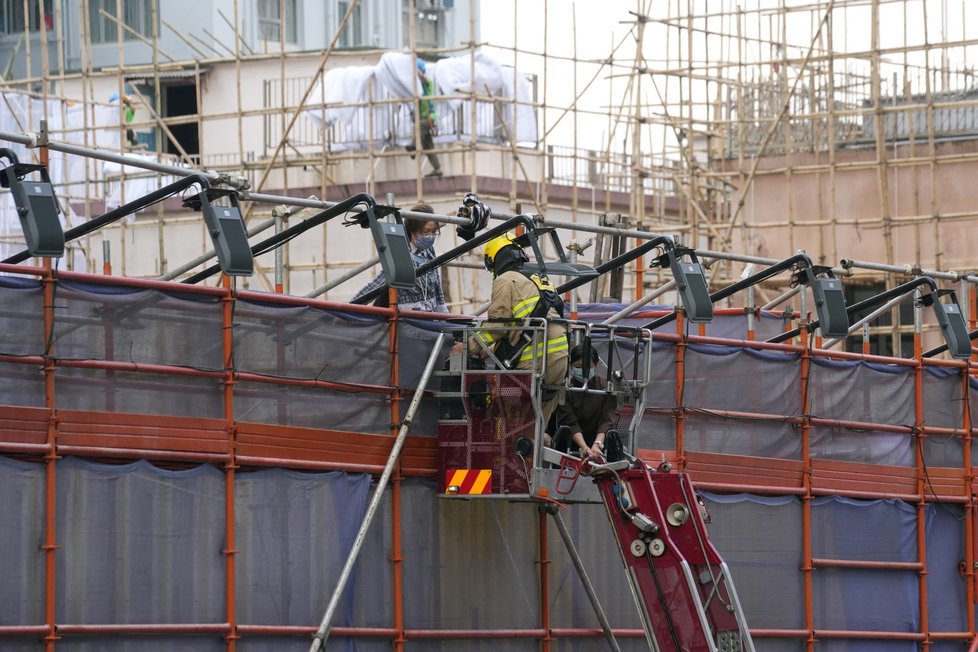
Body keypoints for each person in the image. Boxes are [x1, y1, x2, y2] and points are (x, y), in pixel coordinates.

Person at [466, 233, 568, 423]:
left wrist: (470, 346)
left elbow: (498, 326)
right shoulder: (540, 278)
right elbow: (520, 322)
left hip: (533, 359)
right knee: (537, 426)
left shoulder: (505, 280)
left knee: (513, 426)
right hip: (559, 360)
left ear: (495, 259)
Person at [351, 202, 448, 313]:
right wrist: (348, 307)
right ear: (413, 229)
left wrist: (445, 315)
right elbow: (376, 285)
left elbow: (437, 289)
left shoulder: (428, 252)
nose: (430, 236)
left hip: (430, 318)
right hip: (409, 319)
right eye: (426, 232)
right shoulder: (401, 252)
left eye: (434, 232)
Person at [552, 344, 620, 461]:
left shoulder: (606, 388)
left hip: (600, 442)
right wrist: (584, 447)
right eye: (578, 366)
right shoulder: (565, 389)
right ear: (570, 365)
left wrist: (597, 445)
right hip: (570, 442)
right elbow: (570, 421)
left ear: (595, 365)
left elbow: (607, 420)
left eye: (588, 367)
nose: (583, 371)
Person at [406, 59, 443, 179]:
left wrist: (420, 75)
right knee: (428, 146)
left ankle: (414, 147)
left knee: (419, 126)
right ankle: (437, 168)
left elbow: (426, 81)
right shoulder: (416, 87)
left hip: (429, 117)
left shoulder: (427, 84)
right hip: (423, 117)